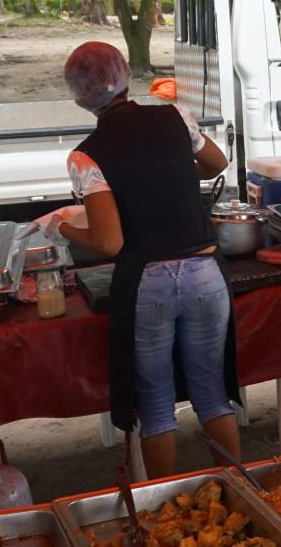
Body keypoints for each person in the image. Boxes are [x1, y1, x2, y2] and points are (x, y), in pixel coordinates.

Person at [40, 41, 241, 479]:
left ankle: (165, 504)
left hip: (148, 284)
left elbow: (109, 242)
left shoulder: (86, 154)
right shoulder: (175, 117)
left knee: (155, 404)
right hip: (205, 273)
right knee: (212, 395)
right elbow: (216, 163)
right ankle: (238, 490)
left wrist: (61, 225)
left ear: (79, 96)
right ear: (126, 76)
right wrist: (171, 175)